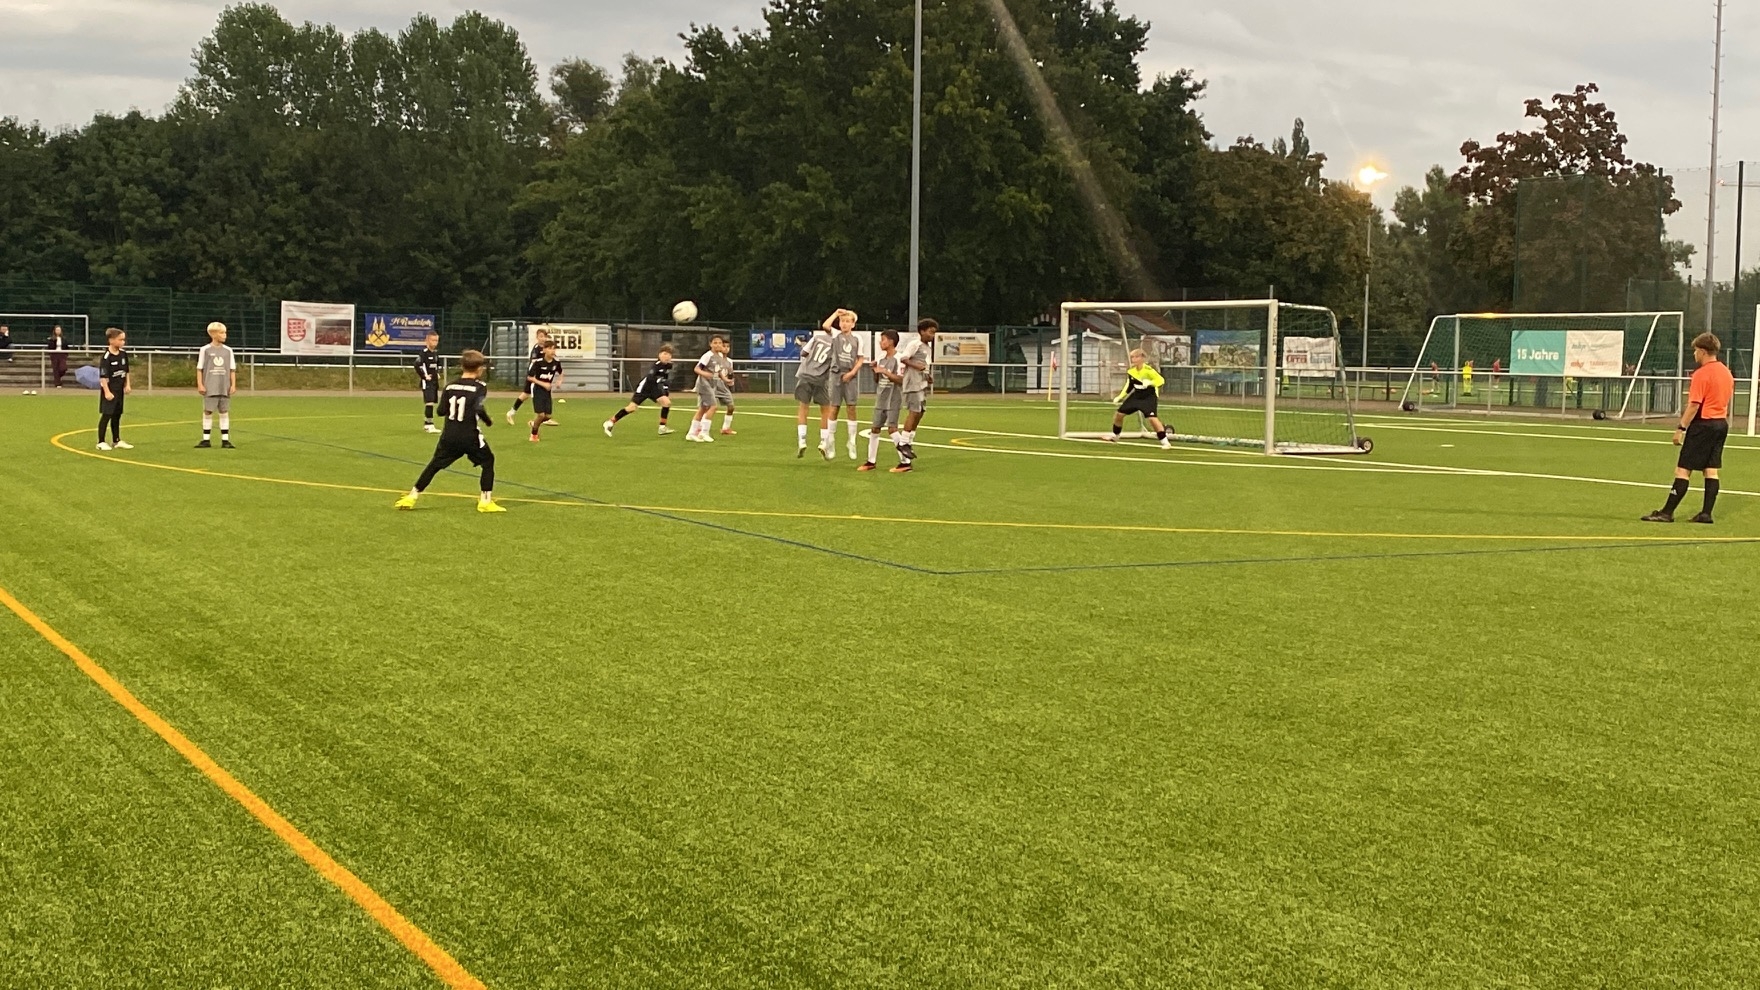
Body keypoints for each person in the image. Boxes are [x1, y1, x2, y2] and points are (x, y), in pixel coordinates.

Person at [395, 350, 504, 513]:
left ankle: (412, 496)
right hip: (470, 436)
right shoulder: (480, 387)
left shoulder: (450, 386)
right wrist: (488, 421)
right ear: (479, 369)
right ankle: (485, 501)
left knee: (434, 465)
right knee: (488, 461)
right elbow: (478, 407)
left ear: (462, 366)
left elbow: (440, 411)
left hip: (449, 435)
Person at [1642, 332, 1734, 524]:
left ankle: (1667, 512)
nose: (1694, 354)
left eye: (1695, 350)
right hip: (1720, 424)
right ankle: (1706, 513)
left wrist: (1681, 428)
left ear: (1703, 351)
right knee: (1711, 470)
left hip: (1703, 424)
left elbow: (1694, 405)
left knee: (1683, 470)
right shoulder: (1726, 372)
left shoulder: (1701, 374)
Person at [891, 318, 938, 473]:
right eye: (930, 332)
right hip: (913, 383)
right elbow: (904, 358)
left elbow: (924, 365)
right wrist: (916, 366)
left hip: (922, 383)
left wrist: (928, 376)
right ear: (922, 331)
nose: (932, 335)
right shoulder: (915, 344)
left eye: (934, 333)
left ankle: (909, 441)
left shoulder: (927, 348)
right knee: (914, 411)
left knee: (921, 411)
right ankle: (903, 442)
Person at [1107, 349, 1173, 450]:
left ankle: (1165, 442)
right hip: (1136, 396)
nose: (1133, 359)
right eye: (1132, 357)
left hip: (1149, 397)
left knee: (1152, 419)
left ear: (1142, 358)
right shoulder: (1131, 371)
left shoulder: (1148, 370)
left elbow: (1161, 380)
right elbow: (1129, 386)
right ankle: (1115, 436)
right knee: (1119, 414)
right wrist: (1120, 397)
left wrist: (1150, 383)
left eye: (1136, 357)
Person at [795, 313, 840, 459]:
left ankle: (802, 440)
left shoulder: (817, 337)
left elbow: (804, 352)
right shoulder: (839, 344)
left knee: (803, 408)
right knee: (825, 411)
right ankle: (823, 442)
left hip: (805, 374)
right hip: (821, 378)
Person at [604, 345, 675, 436]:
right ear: (659, 355)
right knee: (631, 408)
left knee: (666, 403)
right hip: (644, 388)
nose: (667, 356)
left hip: (654, 388)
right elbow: (650, 377)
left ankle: (662, 428)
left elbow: (664, 379)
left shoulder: (668, 366)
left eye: (669, 354)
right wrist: (660, 387)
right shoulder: (657, 365)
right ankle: (610, 422)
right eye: (664, 354)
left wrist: (664, 389)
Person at [860, 329, 904, 472]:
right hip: (881, 398)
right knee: (875, 429)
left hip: (893, 398)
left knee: (892, 429)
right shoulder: (880, 358)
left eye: (883, 339)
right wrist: (874, 370)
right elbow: (877, 380)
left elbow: (901, 380)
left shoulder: (899, 359)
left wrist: (885, 371)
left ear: (891, 341)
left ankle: (905, 461)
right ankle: (871, 461)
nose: (880, 342)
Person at [827, 310, 868, 458]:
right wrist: (836, 313)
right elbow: (826, 326)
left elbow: (860, 358)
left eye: (847, 321)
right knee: (834, 407)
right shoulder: (835, 335)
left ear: (853, 324)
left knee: (851, 407)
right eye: (842, 321)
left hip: (850, 375)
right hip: (836, 374)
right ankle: (830, 441)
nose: (844, 324)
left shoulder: (857, 338)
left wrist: (852, 373)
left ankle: (852, 441)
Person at [194, 321, 238, 449]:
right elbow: (200, 368)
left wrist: (233, 385)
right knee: (208, 411)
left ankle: (225, 440)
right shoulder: (205, 350)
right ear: (213, 334)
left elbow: (232, 369)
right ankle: (206, 439)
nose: (225, 335)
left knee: (224, 411)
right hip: (210, 385)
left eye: (225, 333)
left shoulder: (228, 351)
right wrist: (200, 384)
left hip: (224, 386)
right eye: (222, 333)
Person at [687, 335, 737, 442]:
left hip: (711, 384)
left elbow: (718, 371)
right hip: (704, 384)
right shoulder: (707, 356)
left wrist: (726, 380)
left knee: (703, 409)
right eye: (715, 343)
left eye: (719, 343)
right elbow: (697, 368)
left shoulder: (719, 356)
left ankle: (691, 433)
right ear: (710, 344)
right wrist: (705, 374)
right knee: (713, 406)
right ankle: (704, 433)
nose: (718, 345)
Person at [505, 328, 551, 424]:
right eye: (541, 336)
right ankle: (540, 417)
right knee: (532, 395)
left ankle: (511, 413)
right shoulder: (536, 349)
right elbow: (534, 362)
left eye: (545, 336)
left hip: (540, 376)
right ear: (537, 337)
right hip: (533, 375)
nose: (543, 338)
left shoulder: (546, 348)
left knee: (529, 394)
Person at [96, 328, 131, 451]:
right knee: (107, 415)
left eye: (123, 340)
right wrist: (107, 392)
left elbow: (126, 371)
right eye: (120, 339)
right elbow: (103, 377)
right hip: (110, 391)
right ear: (111, 340)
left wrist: (127, 385)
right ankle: (101, 442)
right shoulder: (106, 357)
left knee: (117, 415)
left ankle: (116, 440)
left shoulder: (123, 354)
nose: (123, 342)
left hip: (119, 390)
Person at [526, 341, 564, 443]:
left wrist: (559, 381)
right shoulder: (538, 362)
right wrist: (543, 384)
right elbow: (530, 377)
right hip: (537, 390)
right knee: (541, 415)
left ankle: (534, 423)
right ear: (544, 350)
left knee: (548, 416)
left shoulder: (556, 362)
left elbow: (561, 372)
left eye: (554, 348)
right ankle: (534, 434)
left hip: (547, 392)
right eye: (550, 348)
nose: (552, 351)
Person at [415, 330, 442, 433]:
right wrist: (424, 376)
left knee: (432, 402)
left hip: (434, 382)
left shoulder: (435, 353)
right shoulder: (424, 353)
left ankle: (427, 424)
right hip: (427, 382)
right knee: (429, 402)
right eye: (433, 340)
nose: (435, 342)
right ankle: (429, 425)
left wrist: (437, 373)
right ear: (427, 340)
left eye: (436, 340)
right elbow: (417, 365)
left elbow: (437, 365)